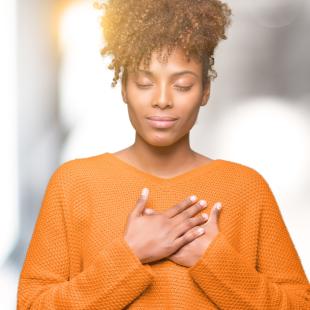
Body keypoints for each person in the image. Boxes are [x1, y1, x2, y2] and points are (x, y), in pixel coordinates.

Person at [17, 0, 310, 309]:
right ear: (124, 88)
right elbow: (32, 305)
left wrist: (213, 260)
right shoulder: (74, 184)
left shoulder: (247, 189)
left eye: (182, 85)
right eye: (144, 82)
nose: (162, 100)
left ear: (206, 91)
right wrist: (130, 255)